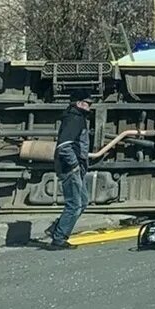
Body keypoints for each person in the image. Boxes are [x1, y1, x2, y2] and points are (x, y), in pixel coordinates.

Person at [48, 91, 92, 250]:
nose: (89, 106)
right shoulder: (75, 119)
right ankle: (59, 238)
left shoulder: (76, 118)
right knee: (74, 204)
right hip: (70, 168)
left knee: (83, 201)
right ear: (79, 103)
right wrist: (74, 165)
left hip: (74, 168)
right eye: (87, 102)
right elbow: (64, 146)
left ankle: (56, 229)